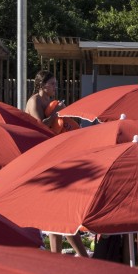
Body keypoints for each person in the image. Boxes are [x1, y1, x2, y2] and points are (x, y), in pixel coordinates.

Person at [25, 69, 88, 257]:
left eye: (55, 83)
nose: (55, 86)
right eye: (52, 83)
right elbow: (40, 125)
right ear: (42, 85)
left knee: (56, 211)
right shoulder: (34, 100)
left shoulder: (51, 102)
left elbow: (56, 126)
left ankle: (56, 254)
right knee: (57, 211)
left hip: (52, 155)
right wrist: (56, 114)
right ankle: (78, 255)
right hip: (37, 157)